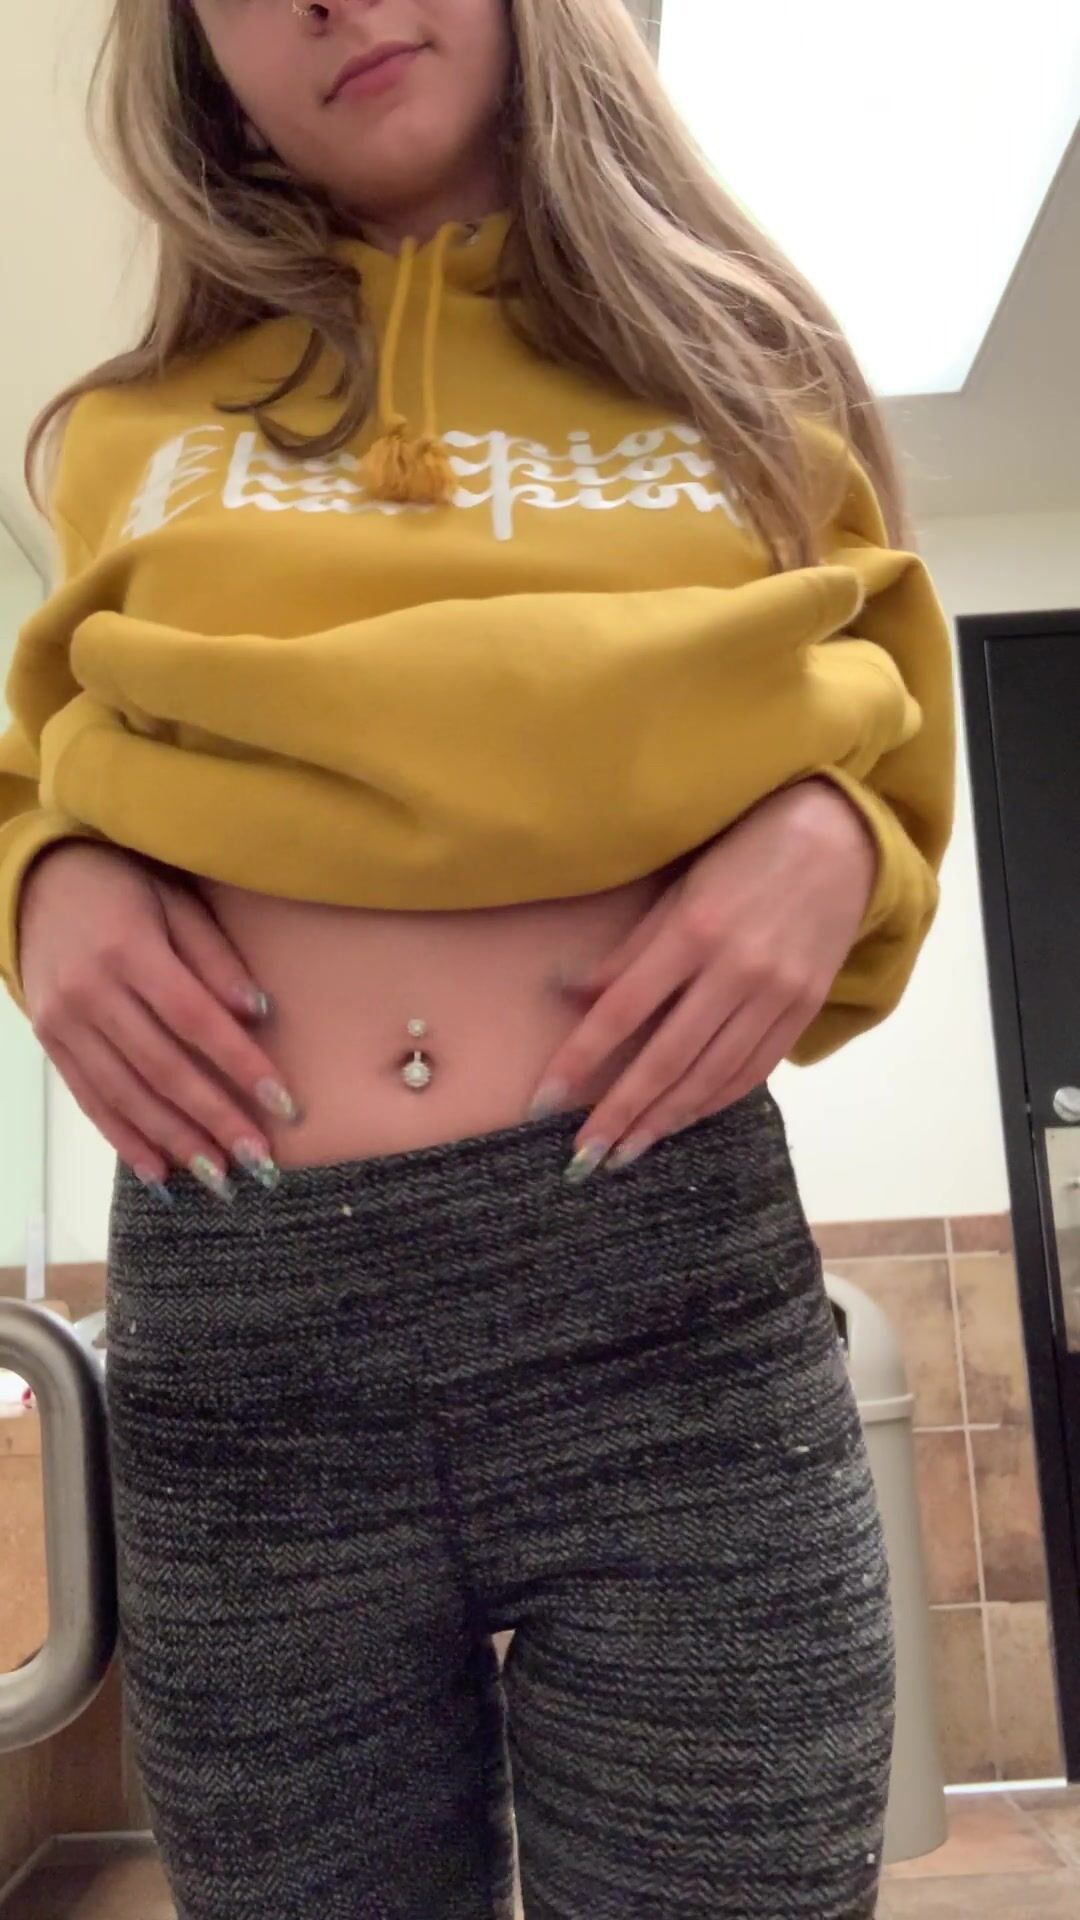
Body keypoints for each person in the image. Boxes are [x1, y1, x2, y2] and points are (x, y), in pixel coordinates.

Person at [0, 1, 955, 1915]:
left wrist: (837, 831)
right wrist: (43, 871)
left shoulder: (749, 372)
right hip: (248, 1338)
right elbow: (55, 736)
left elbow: (873, 683)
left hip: (661, 1293)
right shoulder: (117, 430)